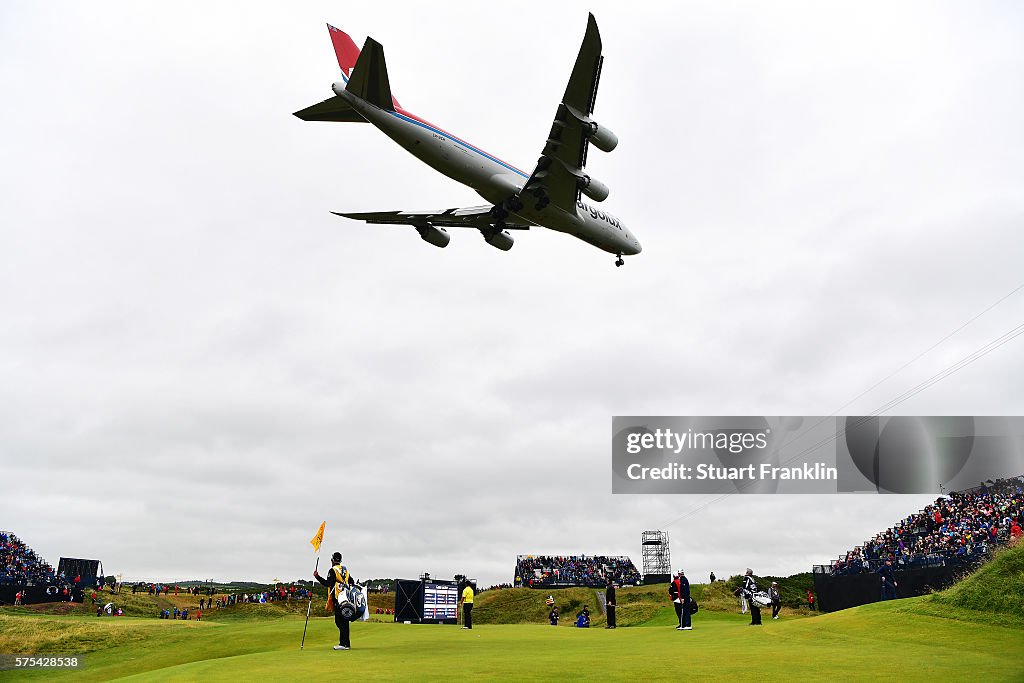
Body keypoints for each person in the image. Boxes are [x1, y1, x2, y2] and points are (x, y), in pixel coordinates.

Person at [314, 551, 357, 650]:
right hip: (347, 598)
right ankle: (346, 643)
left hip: (338, 599)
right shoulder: (345, 570)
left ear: (332, 560)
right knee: (344, 621)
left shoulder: (332, 570)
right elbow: (352, 581)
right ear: (340, 560)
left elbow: (328, 583)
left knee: (339, 621)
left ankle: (343, 644)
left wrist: (317, 577)